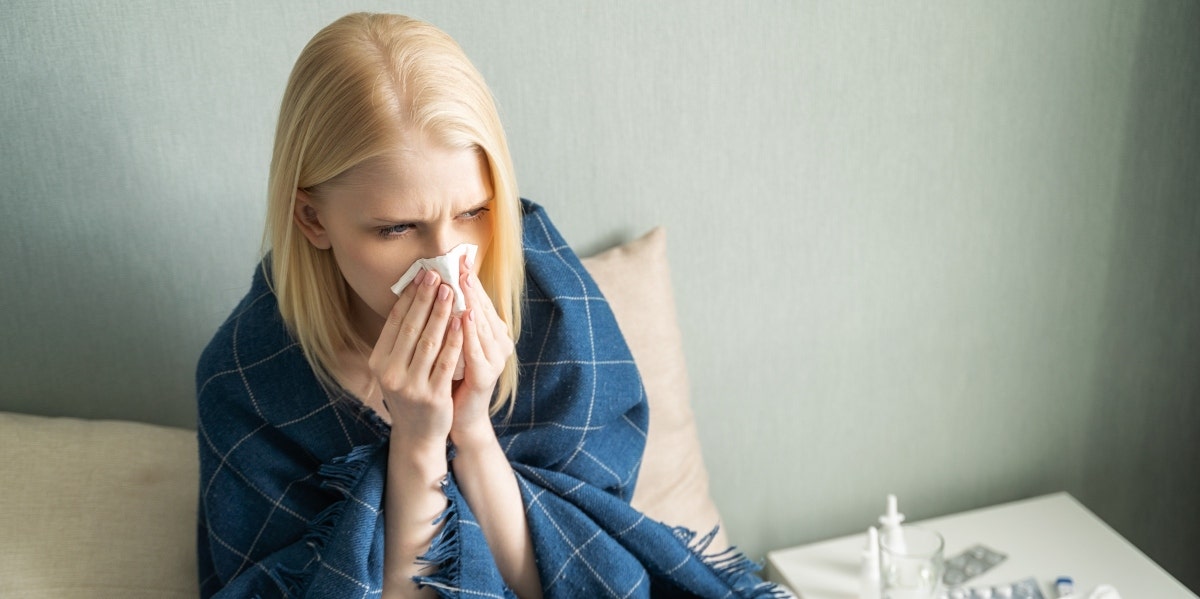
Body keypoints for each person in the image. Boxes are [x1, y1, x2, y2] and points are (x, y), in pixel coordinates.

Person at [196, 12, 780, 599]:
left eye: (473, 213)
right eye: (397, 228)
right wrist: (419, 444)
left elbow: (572, 580)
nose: (448, 262)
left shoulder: (554, 307)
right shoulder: (247, 378)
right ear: (313, 219)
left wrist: (472, 430)